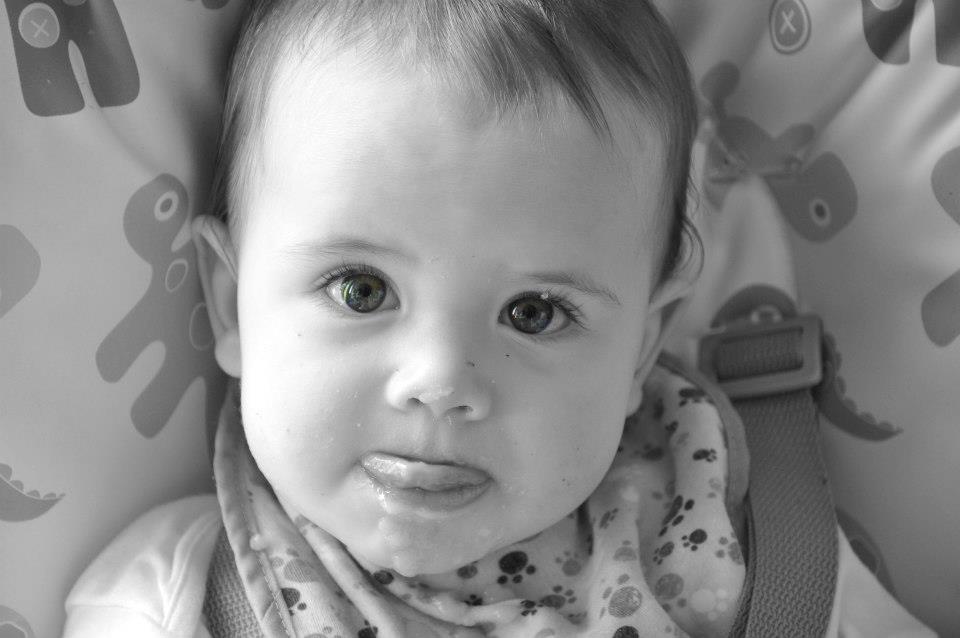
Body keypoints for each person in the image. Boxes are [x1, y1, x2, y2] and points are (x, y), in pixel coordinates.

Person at [63, 1, 935, 636]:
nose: (441, 381)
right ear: (230, 306)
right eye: (361, 290)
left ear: (639, 347)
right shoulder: (164, 602)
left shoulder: (739, 553)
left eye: (534, 311)